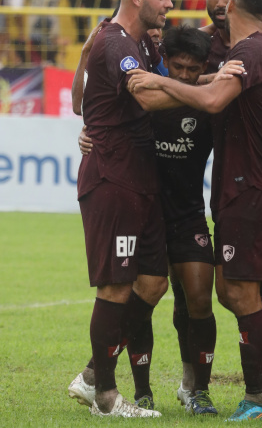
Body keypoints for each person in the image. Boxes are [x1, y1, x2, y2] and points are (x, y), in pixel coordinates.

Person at [127, 0, 262, 421]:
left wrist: (160, 82)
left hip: (250, 186)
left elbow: (214, 101)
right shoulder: (244, 52)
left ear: (234, 3)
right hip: (241, 186)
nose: (216, 3)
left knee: (240, 292)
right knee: (234, 290)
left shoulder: (251, 51)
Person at [75, 25, 220, 416]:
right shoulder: (143, 97)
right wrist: (91, 130)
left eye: (194, 69)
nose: (186, 75)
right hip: (144, 209)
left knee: (199, 298)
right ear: (162, 62)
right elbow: (87, 107)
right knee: (141, 293)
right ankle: (140, 391)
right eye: (178, 67)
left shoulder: (208, 99)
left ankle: (197, 390)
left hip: (187, 212)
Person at [69, 0, 176, 418]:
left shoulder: (137, 44)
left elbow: (81, 102)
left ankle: (93, 373)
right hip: (113, 179)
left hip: (140, 179)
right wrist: (209, 91)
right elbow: (148, 98)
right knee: (115, 286)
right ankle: (107, 400)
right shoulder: (115, 41)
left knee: (151, 283)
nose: (170, 4)